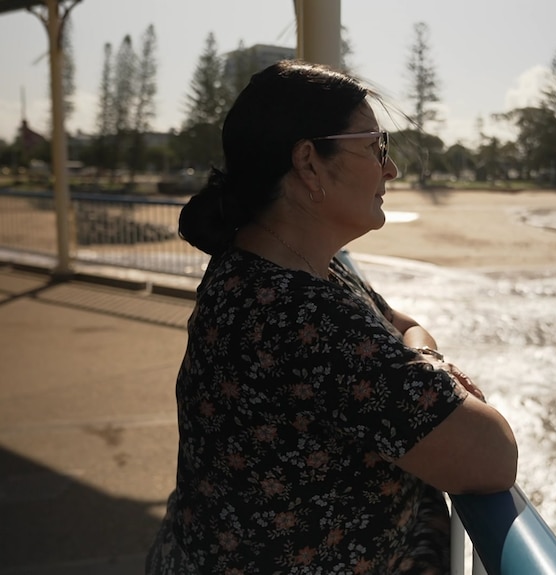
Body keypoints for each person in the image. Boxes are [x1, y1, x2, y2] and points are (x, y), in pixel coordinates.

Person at [146, 60, 518, 575]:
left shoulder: (282, 267)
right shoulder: (299, 317)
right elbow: (494, 456)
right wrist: (432, 368)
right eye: (374, 147)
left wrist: (418, 361)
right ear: (309, 163)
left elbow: (401, 324)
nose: (391, 169)